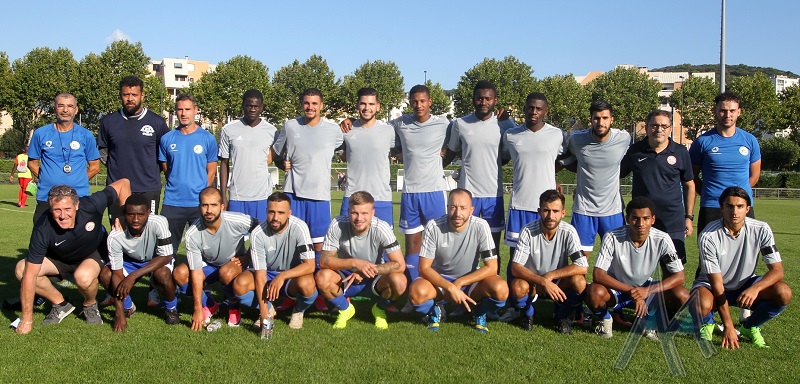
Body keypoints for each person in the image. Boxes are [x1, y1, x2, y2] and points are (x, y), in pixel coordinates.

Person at [14, 178, 131, 334]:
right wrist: (27, 320)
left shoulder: (91, 204)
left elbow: (124, 184)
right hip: (60, 259)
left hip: (92, 253)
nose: (63, 215)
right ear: (50, 208)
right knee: (22, 269)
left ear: (77, 205)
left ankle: (90, 305)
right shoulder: (42, 228)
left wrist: (123, 217)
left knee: (83, 277)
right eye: (57, 210)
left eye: (68, 208)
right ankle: (61, 304)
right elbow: (30, 275)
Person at [692, 186, 792, 349]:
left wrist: (755, 288)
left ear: (747, 209)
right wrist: (729, 325)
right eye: (729, 206)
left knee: (783, 292)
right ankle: (707, 323)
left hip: (745, 284)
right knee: (700, 302)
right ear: (721, 208)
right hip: (712, 286)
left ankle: (749, 326)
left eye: (739, 206)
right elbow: (717, 285)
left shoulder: (762, 229)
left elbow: (777, 270)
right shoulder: (708, 236)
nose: (734, 211)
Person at [585, 196, 689, 339]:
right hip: (618, 289)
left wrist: (647, 291)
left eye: (645, 218)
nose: (640, 223)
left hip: (646, 287)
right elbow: (598, 274)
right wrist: (633, 291)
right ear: (627, 218)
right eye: (635, 218)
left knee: (682, 295)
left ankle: (654, 321)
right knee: (594, 291)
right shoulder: (612, 236)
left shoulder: (662, 239)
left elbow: (679, 276)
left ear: (653, 219)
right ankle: (605, 319)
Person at [409, 188, 508, 333]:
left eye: (463, 208)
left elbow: (492, 267)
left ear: (471, 210)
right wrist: (450, 287)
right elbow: (424, 268)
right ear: (447, 207)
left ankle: (479, 312)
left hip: (470, 282)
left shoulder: (481, 226)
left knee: (501, 290)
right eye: (453, 207)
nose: (457, 213)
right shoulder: (433, 226)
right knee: (416, 292)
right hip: (440, 282)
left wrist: (459, 283)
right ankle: (435, 311)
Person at [443, 80, 515, 268]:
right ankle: (465, 287)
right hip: (468, 194)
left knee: (493, 248)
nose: (483, 102)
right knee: (465, 245)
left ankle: (492, 292)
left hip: (494, 195)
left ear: (495, 100)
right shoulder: (460, 124)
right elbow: (451, 152)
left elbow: (508, 156)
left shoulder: (505, 124)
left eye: (487, 99)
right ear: (473, 100)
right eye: (479, 98)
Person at [315, 191, 407, 329]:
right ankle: (345, 309)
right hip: (346, 277)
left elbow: (399, 265)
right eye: (354, 213)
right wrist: (355, 263)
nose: (359, 218)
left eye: (364, 213)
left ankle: (379, 309)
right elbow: (324, 261)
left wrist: (365, 271)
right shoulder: (337, 224)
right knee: (322, 277)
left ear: (372, 213)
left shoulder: (382, 228)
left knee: (400, 281)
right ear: (348, 211)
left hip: (374, 278)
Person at [172, 187, 259, 331]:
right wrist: (197, 308)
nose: (209, 210)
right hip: (209, 264)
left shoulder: (235, 220)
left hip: (233, 265)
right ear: (199, 206)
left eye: (213, 205)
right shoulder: (193, 233)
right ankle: (210, 305)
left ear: (222, 207)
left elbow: (260, 229)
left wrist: (247, 256)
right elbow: (196, 271)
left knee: (226, 272)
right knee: (179, 273)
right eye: (205, 205)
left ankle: (233, 307)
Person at [501, 92, 567, 275]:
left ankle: (555, 297)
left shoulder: (557, 135)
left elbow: (565, 158)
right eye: (530, 107)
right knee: (517, 259)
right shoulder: (511, 135)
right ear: (524, 109)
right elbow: (502, 158)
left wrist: (553, 176)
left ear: (545, 111)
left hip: (547, 208)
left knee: (551, 254)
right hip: (519, 205)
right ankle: (518, 302)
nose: (534, 111)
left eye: (538, 108)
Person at [389, 84, 449, 282]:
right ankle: (413, 287)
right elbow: (377, 131)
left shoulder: (444, 124)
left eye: (422, 101)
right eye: (414, 101)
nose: (418, 105)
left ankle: (440, 290)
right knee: (412, 245)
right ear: (410, 102)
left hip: (434, 191)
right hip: (410, 193)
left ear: (430, 102)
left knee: (440, 243)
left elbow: (459, 142)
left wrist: (446, 155)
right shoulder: (400, 123)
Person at [232, 192, 318, 329]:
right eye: (271, 212)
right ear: (266, 211)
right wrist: (264, 310)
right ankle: (270, 309)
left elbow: (310, 266)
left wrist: (283, 276)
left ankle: (298, 311)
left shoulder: (300, 227)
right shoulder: (257, 233)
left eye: (281, 213)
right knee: (240, 284)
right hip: (267, 273)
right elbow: (260, 275)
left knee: (307, 284)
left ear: (289, 213)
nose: (275, 218)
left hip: (290, 277)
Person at [506, 190, 588, 334]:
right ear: (539, 211)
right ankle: (529, 313)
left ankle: (562, 315)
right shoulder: (528, 231)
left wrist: (550, 276)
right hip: (533, 283)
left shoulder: (569, 231)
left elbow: (582, 266)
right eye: (546, 210)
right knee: (518, 287)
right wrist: (542, 281)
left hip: (557, 282)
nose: (550, 216)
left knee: (580, 282)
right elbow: (516, 267)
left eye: (555, 211)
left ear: (563, 213)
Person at [621, 110, 695, 266]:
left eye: (663, 126)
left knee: (673, 268)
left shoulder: (680, 152)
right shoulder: (634, 151)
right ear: (647, 127)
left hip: (672, 220)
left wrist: (688, 217)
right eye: (654, 125)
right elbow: (615, 176)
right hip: (642, 220)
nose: (659, 129)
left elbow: (689, 185)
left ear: (669, 128)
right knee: (640, 266)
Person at [272, 88, 343, 250]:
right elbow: (275, 154)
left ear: (321, 105)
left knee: (319, 246)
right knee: (291, 245)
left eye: (314, 103)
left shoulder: (333, 130)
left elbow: (346, 152)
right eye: (306, 103)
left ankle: (317, 275)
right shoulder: (289, 126)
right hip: (293, 195)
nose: (310, 107)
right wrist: (281, 164)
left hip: (319, 197)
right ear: (301, 105)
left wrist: (351, 120)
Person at [98, 193, 178, 332]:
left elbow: (166, 256)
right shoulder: (115, 236)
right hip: (131, 261)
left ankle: (171, 308)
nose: (135, 219)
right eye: (130, 214)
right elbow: (116, 274)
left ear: (149, 212)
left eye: (141, 214)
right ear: (124, 213)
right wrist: (119, 314)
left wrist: (132, 276)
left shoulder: (159, 222)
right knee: (105, 274)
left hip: (156, 259)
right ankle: (128, 307)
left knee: (163, 274)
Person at [98, 75, 170, 219]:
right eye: (126, 94)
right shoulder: (108, 122)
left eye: (134, 94)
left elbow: (165, 154)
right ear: (121, 95)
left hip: (148, 188)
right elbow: (103, 151)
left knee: (147, 233)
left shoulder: (157, 122)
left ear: (142, 95)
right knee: (117, 233)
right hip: (117, 187)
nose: (130, 98)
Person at [565, 100, 630, 255]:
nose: (601, 122)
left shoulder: (624, 139)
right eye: (596, 118)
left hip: (613, 211)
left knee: (617, 260)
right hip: (584, 210)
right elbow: (567, 160)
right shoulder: (577, 140)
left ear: (612, 119)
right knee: (579, 262)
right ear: (591, 119)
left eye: (605, 118)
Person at [690, 91, 761, 233]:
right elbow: (691, 177)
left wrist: (739, 195)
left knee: (745, 251)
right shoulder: (702, 142)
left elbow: (754, 176)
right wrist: (709, 193)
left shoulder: (750, 140)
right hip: (712, 206)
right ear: (715, 111)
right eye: (723, 110)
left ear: (739, 112)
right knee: (709, 252)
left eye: (732, 111)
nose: (727, 115)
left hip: (742, 205)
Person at [158, 93, 218, 253]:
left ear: (195, 110)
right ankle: (166, 276)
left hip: (198, 204)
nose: (183, 113)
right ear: (175, 112)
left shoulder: (208, 139)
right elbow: (166, 169)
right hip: (172, 202)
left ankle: (200, 277)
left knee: (202, 249)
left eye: (187, 109)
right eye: (179, 109)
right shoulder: (167, 139)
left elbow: (211, 172)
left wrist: (204, 198)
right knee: (166, 250)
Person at [28, 93, 101, 223]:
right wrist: (47, 178)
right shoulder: (41, 133)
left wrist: (77, 181)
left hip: (78, 197)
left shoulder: (86, 135)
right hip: (47, 197)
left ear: (76, 109)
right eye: (61, 106)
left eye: (70, 106)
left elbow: (95, 167)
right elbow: (32, 163)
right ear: (54, 108)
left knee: (78, 240)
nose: (65, 110)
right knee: (43, 238)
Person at [338, 88, 396, 226]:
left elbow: (402, 151)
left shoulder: (389, 130)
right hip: (352, 196)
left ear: (378, 106)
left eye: (371, 104)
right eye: (363, 104)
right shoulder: (346, 131)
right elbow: (343, 155)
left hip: (381, 198)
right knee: (346, 245)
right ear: (358, 105)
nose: (367, 108)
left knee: (386, 246)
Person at [218, 89, 278, 222]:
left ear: (262, 107)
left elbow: (277, 158)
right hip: (237, 197)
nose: (252, 109)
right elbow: (224, 163)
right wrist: (223, 195)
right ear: (243, 106)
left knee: (261, 239)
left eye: (256, 106)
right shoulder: (228, 129)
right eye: (249, 105)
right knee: (236, 241)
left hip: (263, 197)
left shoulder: (272, 131)